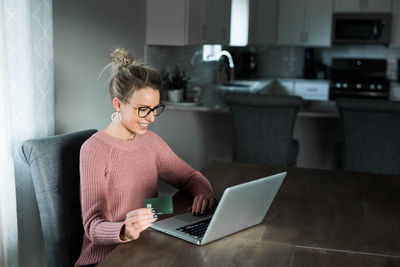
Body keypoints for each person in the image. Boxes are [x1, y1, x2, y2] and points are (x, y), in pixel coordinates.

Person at [75, 48, 217, 267]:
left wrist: (204, 192)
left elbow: (189, 177)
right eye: (142, 110)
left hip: (150, 246)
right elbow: (92, 226)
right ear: (118, 104)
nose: (151, 118)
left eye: (154, 109)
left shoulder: (150, 142)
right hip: (108, 258)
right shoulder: (94, 149)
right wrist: (124, 229)